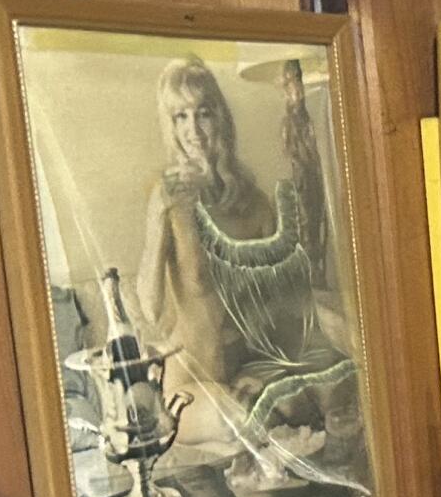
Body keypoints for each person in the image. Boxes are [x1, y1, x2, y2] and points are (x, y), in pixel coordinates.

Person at [132, 57, 353, 446]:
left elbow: (278, 304)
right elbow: (149, 309)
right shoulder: (166, 197)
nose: (193, 130)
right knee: (235, 419)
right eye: (180, 117)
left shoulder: (254, 202)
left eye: (203, 113)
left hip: (246, 366)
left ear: (220, 118)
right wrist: (156, 214)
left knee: (324, 393)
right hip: (192, 379)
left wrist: (267, 373)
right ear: (170, 125)